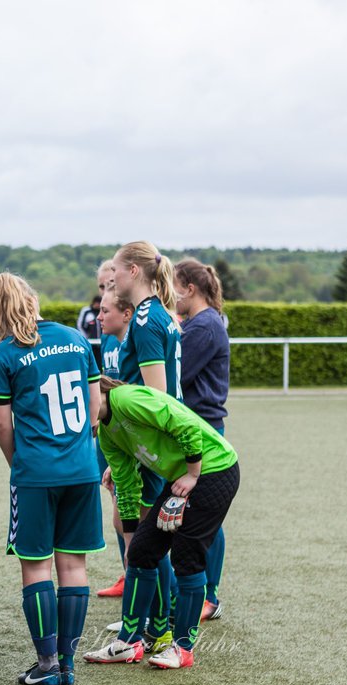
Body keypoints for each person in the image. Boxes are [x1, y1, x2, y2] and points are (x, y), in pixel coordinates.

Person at [0, 273, 103, 685]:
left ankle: (47, 663)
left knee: (36, 567)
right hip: (82, 471)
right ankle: (68, 664)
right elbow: (95, 408)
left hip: (36, 472)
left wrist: (19, 462)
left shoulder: (4, 355)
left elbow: (3, 425)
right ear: (33, 300)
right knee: (73, 566)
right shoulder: (75, 338)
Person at [83, 378, 240, 669]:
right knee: (142, 551)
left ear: (95, 390)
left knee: (186, 557)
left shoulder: (127, 399)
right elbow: (127, 486)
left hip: (214, 469)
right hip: (183, 478)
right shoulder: (105, 436)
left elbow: (186, 424)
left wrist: (193, 474)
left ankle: (182, 649)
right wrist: (130, 540)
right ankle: (128, 643)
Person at [102, 241, 182, 649]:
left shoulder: (148, 319)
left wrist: (133, 454)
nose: (110, 276)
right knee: (131, 529)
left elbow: (157, 398)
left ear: (133, 270)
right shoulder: (157, 315)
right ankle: (154, 622)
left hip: (153, 448)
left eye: (115, 268)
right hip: (147, 447)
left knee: (144, 539)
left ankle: (158, 624)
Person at [174, 258, 231, 621]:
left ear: (190, 288)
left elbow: (176, 374)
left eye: (174, 287)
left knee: (207, 517)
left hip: (204, 429)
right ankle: (203, 591)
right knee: (202, 515)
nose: (171, 296)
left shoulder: (204, 326)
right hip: (200, 428)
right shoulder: (202, 323)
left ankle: (209, 595)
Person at [94, 285, 134, 598]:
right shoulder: (109, 337)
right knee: (121, 518)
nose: (99, 314)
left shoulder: (139, 335)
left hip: (132, 439)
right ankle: (129, 578)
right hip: (115, 435)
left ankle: (158, 609)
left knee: (137, 528)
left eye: (106, 307)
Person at [76, 293, 103, 364]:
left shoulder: (102, 311)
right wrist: (84, 339)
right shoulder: (86, 311)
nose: (97, 305)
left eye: (99, 303)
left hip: (102, 342)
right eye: (96, 303)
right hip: (90, 342)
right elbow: (80, 325)